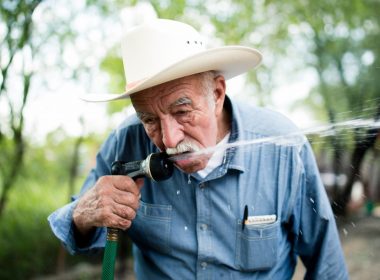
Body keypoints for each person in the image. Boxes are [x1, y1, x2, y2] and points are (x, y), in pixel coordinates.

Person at [48, 19, 348, 279]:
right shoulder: (126, 142)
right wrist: (84, 213)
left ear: (217, 94)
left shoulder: (281, 145)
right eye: (150, 120)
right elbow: (75, 233)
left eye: (182, 112)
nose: (168, 140)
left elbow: (328, 266)